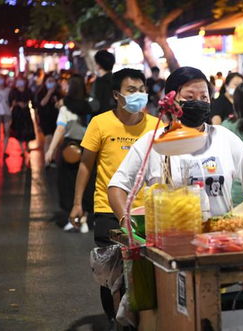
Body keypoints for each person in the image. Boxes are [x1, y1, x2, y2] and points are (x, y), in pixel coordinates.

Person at [108, 66, 243, 219]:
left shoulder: (223, 137)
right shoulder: (152, 143)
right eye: (189, 97)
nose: (198, 102)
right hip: (169, 240)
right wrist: (126, 222)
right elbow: (117, 187)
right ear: (171, 101)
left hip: (218, 239)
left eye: (204, 97)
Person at [66, 68, 158, 325]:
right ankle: (113, 320)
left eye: (142, 89)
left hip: (147, 212)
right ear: (117, 95)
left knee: (143, 272)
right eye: (132, 90)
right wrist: (77, 204)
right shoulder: (100, 123)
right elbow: (86, 165)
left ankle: (142, 321)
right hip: (108, 209)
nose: (138, 95)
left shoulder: (155, 125)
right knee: (111, 275)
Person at [45, 74, 94, 231]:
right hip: (89, 148)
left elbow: (60, 129)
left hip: (69, 149)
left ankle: (72, 219)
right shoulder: (91, 106)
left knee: (68, 184)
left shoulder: (65, 108)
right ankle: (85, 219)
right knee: (87, 183)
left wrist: (51, 150)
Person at [8, 76, 35, 156]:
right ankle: (22, 150)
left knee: (27, 130)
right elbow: (11, 103)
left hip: (26, 112)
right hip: (17, 113)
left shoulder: (28, 90)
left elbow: (32, 101)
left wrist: (27, 105)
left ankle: (27, 146)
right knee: (18, 131)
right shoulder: (13, 91)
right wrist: (18, 103)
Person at [35, 74, 60, 155]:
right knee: (48, 138)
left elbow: (59, 105)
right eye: (49, 81)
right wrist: (49, 93)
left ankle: (53, 157)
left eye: (53, 81)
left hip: (55, 118)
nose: (51, 83)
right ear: (45, 82)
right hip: (45, 119)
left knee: (55, 139)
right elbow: (42, 103)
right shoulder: (40, 93)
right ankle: (47, 158)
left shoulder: (57, 93)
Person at [91, 49, 115, 115]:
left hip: (101, 120)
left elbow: (95, 105)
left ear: (98, 65)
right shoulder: (117, 80)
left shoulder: (99, 82)